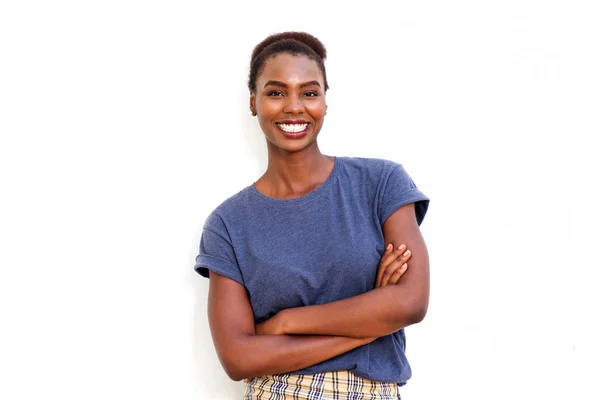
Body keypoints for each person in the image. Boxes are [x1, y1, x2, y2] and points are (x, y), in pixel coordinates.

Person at [194, 32, 430, 400]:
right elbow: (238, 357)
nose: (294, 106)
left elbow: (411, 302)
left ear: (324, 100)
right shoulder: (228, 224)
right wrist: (373, 322)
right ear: (253, 102)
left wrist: (286, 323)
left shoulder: (380, 184)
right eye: (275, 93)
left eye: (308, 92)